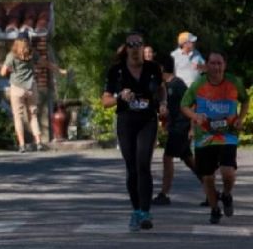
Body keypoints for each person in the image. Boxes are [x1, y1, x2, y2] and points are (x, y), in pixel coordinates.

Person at [101, 32, 167, 231]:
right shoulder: (117, 71)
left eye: (139, 45)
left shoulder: (153, 68)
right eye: (131, 45)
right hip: (126, 121)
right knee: (132, 168)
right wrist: (120, 97)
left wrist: (163, 103)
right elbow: (105, 101)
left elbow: (161, 88)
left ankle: (146, 213)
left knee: (143, 164)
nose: (135, 49)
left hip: (147, 120)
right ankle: (136, 209)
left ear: (143, 48)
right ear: (127, 49)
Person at [181, 51, 249, 224]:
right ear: (207, 65)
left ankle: (226, 195)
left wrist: (240, 118)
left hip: (228, 135)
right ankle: (214, 209)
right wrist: (195, 117)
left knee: (228, 172)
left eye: (219, 63)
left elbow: (245, 100)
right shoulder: (198, 84)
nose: (216, 67)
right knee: (208, 177)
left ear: (224, 65)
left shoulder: (234, 82)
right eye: (213, 63)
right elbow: (184, 105)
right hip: (204, 137)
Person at [0, 32, 67, 152]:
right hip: (31, 87)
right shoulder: (32, 53)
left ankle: (22, 145)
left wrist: (10, 69)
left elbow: (3, 73)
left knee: (18, 117)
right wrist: (59, 70)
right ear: (28, 41)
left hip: (16, 88)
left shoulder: (12, 55)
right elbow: (45, 63)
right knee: (33, 116)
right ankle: (39, 142)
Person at [151, 55, 202, 205]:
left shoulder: (177, 84)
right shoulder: (164, 86)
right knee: (190, 161)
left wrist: (192, 127)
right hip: (175, 127)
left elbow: (193, 103)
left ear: (161, 68)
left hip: (182, 127)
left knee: (167, 158)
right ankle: (212, 190)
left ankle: (164, 194)